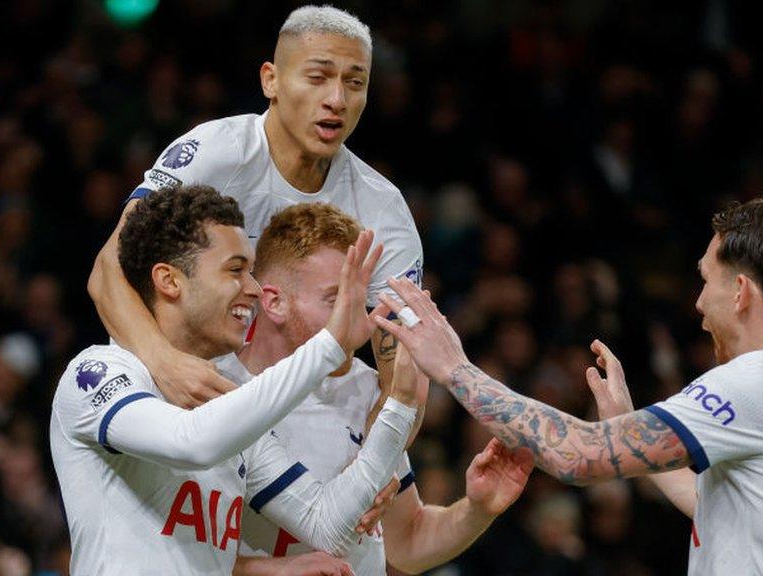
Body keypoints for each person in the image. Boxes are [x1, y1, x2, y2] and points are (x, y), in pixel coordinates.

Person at [376, 197, 763, 574]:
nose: (698, 304)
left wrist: (454, 367)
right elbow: (745, 513)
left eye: (706, 280)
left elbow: (577, 456)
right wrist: (629, 425)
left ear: (740, 291)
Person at [51, 186, 423, 575]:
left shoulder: (226, 405)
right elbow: (192, 442)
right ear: (169, 280)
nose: (255, 288)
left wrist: (401, 400)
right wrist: (330, 344)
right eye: (235, 270)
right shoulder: (97, 375)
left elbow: (327, 525)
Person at [87, 5, 422, 411]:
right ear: (272, 80)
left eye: (355, 82)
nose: (337, 99)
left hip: (294, 413)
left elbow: (405, 373)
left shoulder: (381, 208)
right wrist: (166, 364)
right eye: (317, 78)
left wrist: (373, 465)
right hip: (170, 390)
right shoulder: (214, 154)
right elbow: (109, 270)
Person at [213, 203, 533, 575]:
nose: (363, 324)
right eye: (336, 299)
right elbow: (184, 551)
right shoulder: (215, 392)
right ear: (274, 302)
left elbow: (408, 542)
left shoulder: (363, 389)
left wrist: (477, 509)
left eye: (360, 301)